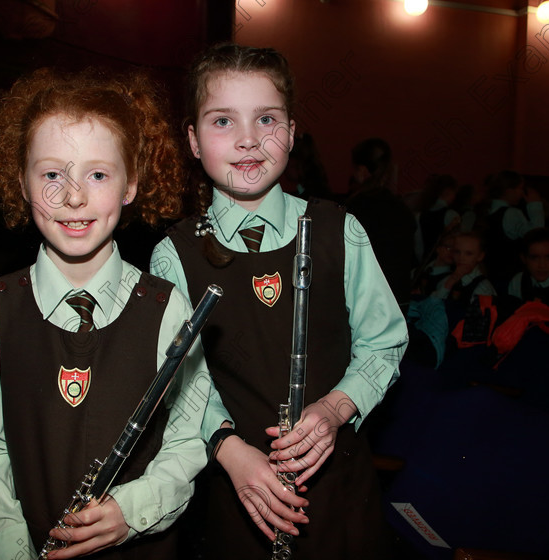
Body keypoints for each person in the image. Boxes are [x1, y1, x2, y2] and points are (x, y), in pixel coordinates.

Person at [149, 43, 408, 559]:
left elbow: (385, 343)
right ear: (193, 141)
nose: (248, 139)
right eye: (222, 121)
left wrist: (336, 408)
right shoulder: (172, 255)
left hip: (342, 500)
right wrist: (229, 449)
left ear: (290, 132)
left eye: (266, 119)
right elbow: (179, 382)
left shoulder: (341, 230)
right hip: (235, 495)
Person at [0, 68, 210, 560]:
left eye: (98, 174)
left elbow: (188, 438)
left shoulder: (167, 304)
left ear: (130, 185)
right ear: (21, 183)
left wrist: (135, 508)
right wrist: (11, 545)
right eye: (51, 174)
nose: (73, 196)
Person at [344, 137, 417, 308]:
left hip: (366, 298)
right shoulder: (401, 208)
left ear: (361, 170)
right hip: (398, 296)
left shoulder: (355, 207)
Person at [484, 170, 545, 292]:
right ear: (508, 191)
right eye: (520, 188)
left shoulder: (485, 210)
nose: (522, 193)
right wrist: (535, 205)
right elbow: (535, 236)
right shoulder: (511, 213)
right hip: (508, 276)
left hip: (489, 273)